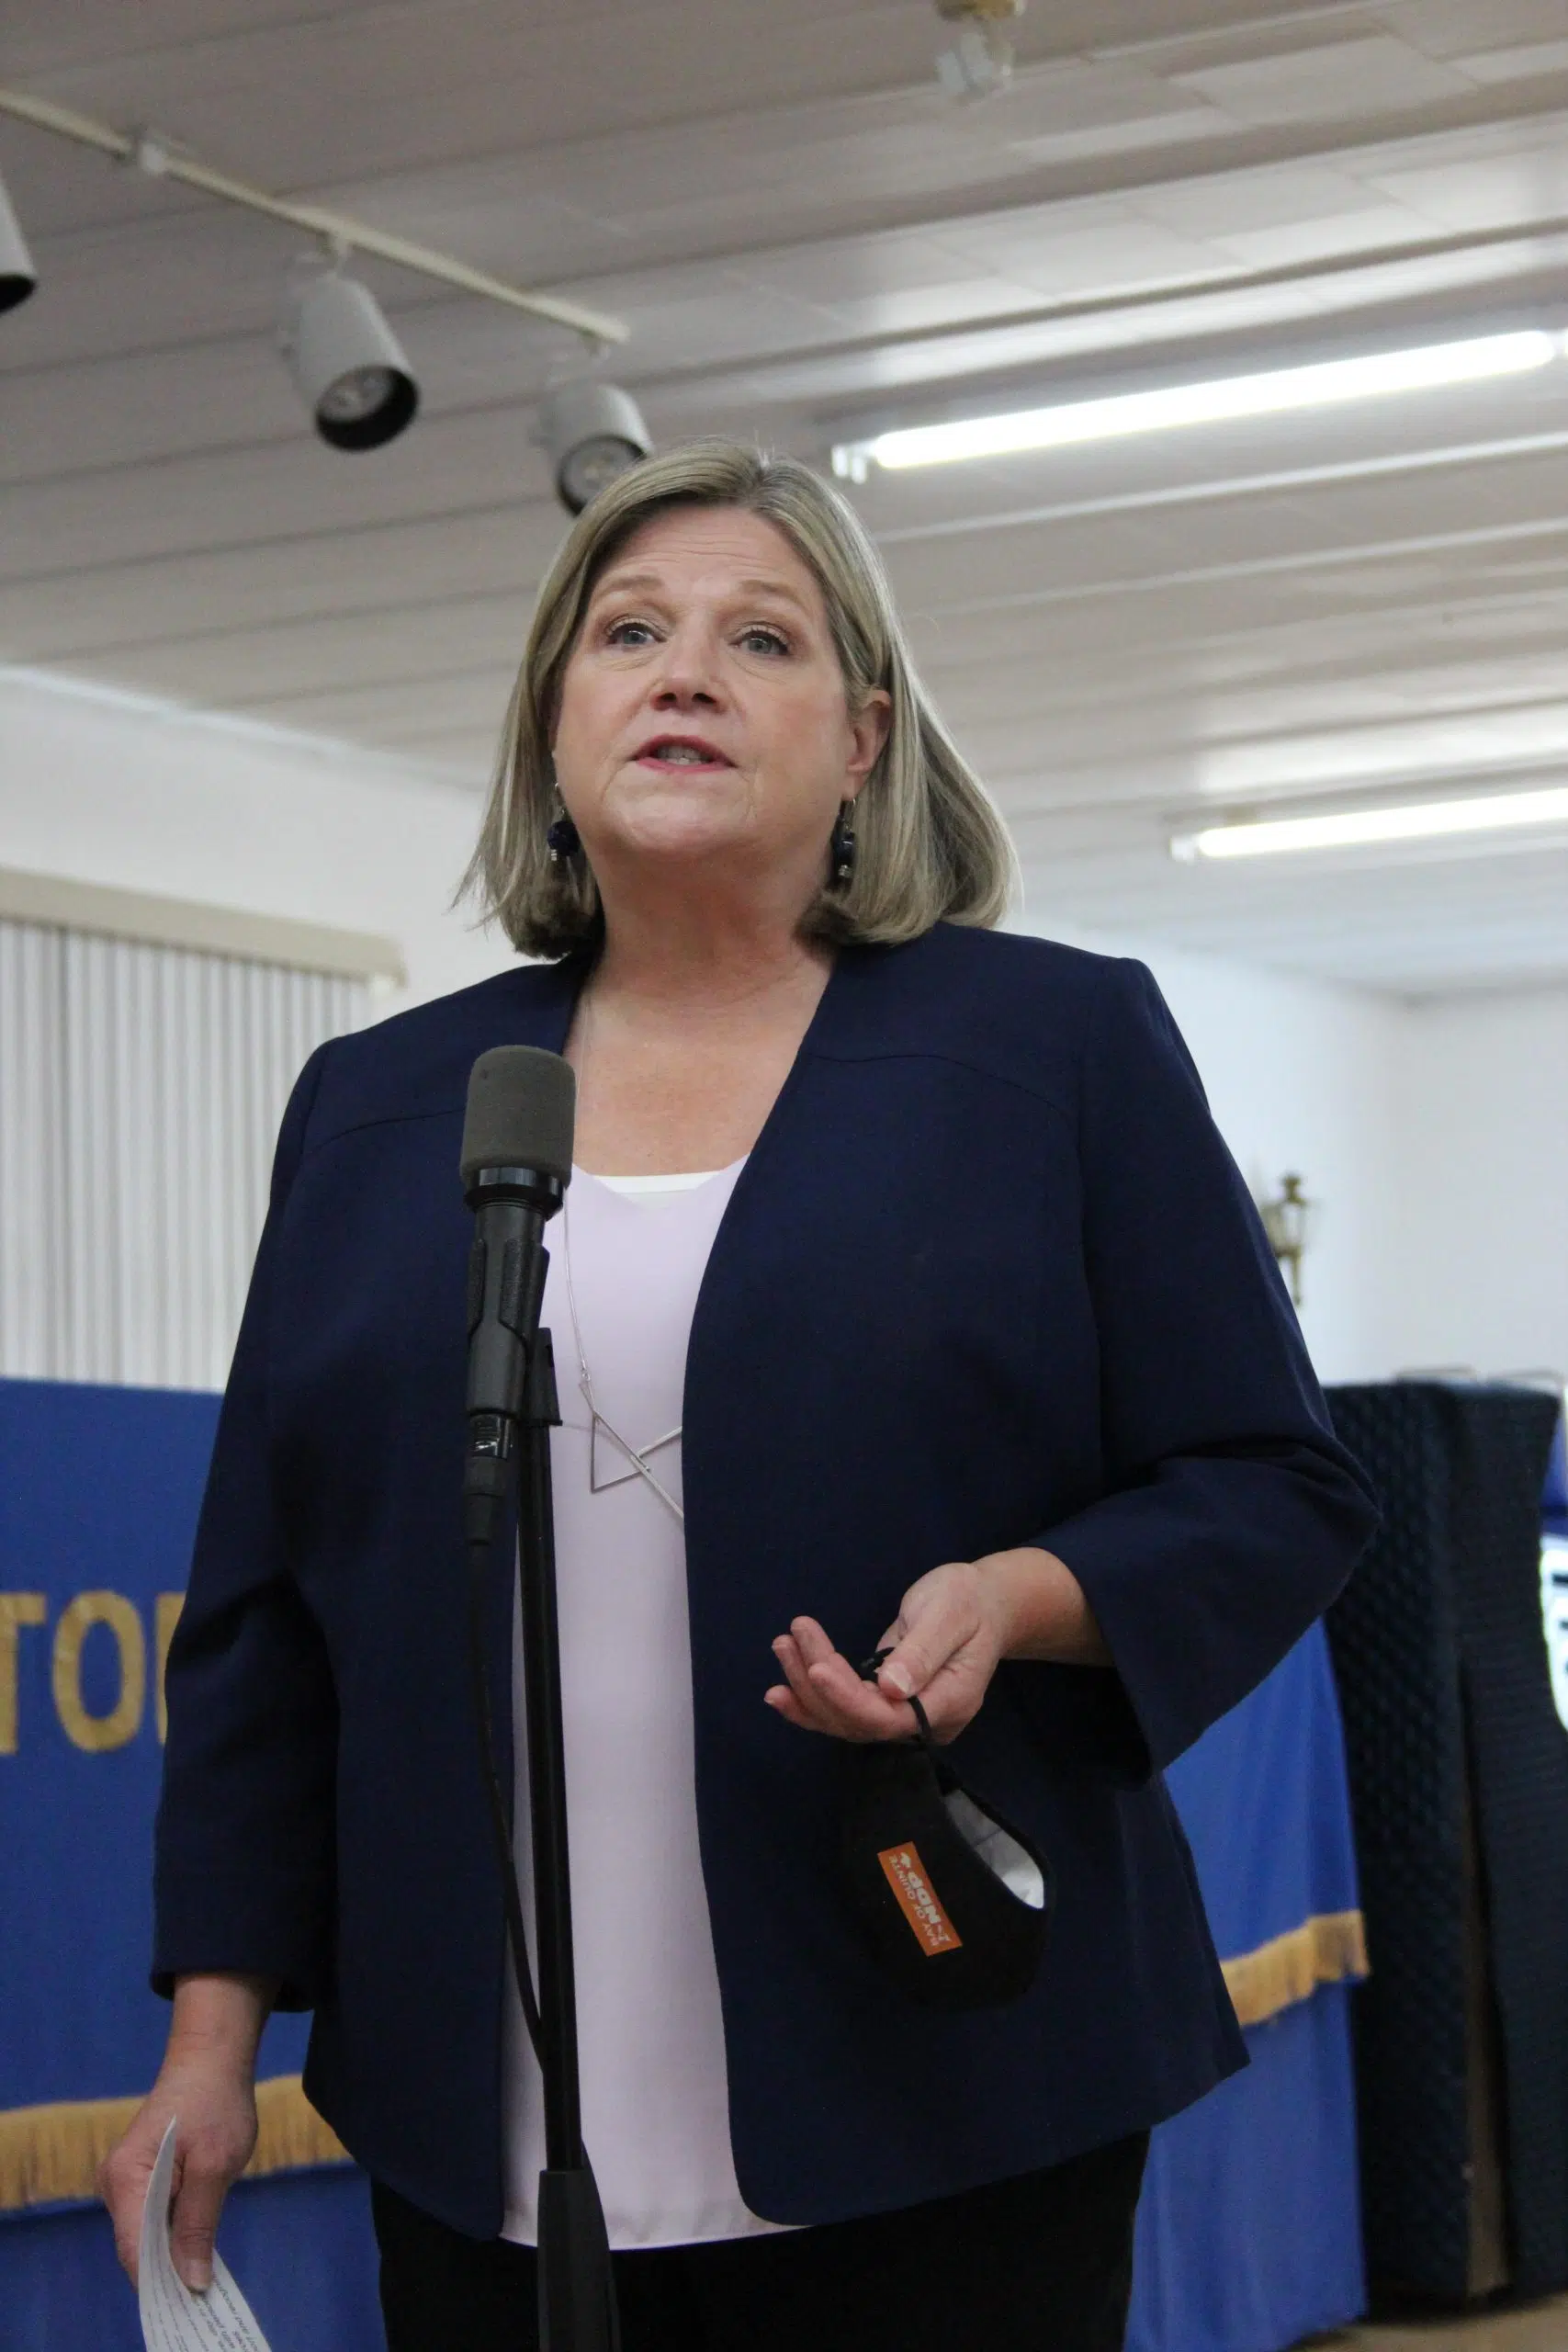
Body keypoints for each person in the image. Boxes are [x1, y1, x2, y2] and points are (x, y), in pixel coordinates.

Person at [100, 440, 1376, 2352]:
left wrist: (1019, 1594)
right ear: (555, 723)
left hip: (938, 2072)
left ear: (863, 738)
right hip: (480, 2111)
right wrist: (210, 2039)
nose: (681, 672)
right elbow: (271, 1611)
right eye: (629, 631)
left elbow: (1275, 1475)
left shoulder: (1050, 1047)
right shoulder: (382, 1105)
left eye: (756, 639)